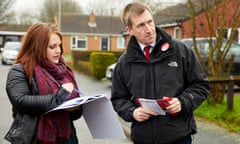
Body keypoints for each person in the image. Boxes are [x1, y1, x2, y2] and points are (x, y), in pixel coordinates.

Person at [111, 2, 209, 144]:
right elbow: (118, 98)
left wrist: (182, 102)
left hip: (179, 137)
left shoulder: (180, 51)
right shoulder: (124, 63)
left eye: (150, 22)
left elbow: (200, 85)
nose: (149, 29)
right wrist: (132, 112)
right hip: (143, 138)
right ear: (129, 30)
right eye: (141, 25)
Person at [4, 23, 82, 144]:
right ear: (37, 47)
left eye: (60, 46)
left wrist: (75, 108)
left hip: (67, 138)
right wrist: (59, 98)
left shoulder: (64, 71)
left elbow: (74, 115)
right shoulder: (20, 70)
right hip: (34, 139)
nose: (59, 51)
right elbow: (21, 101)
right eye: (52, 47)